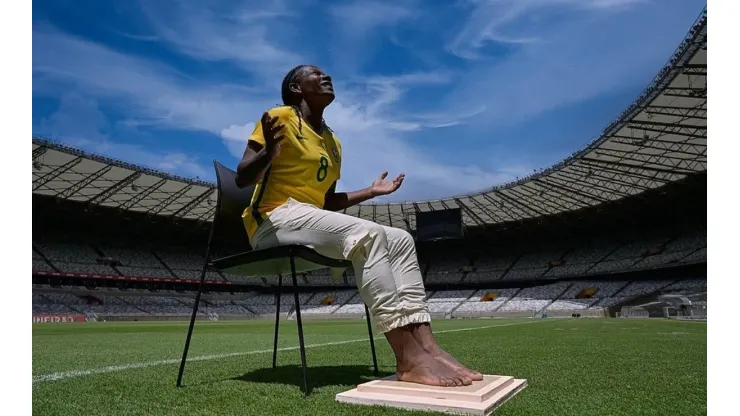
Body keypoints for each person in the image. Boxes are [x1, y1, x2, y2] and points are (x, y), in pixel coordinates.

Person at [235, 65, 483, 387]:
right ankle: (408, 359)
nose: (326, 77)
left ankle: (429, 348)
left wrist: (369, 192)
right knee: (369, 234)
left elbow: (326, 202)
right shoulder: (278, 117)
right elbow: (242, 177)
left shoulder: (332, 141)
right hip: (273, 220)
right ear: (296, 89)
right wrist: (269, 151)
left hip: (306, 220)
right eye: (316, 74)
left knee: (401, 239)